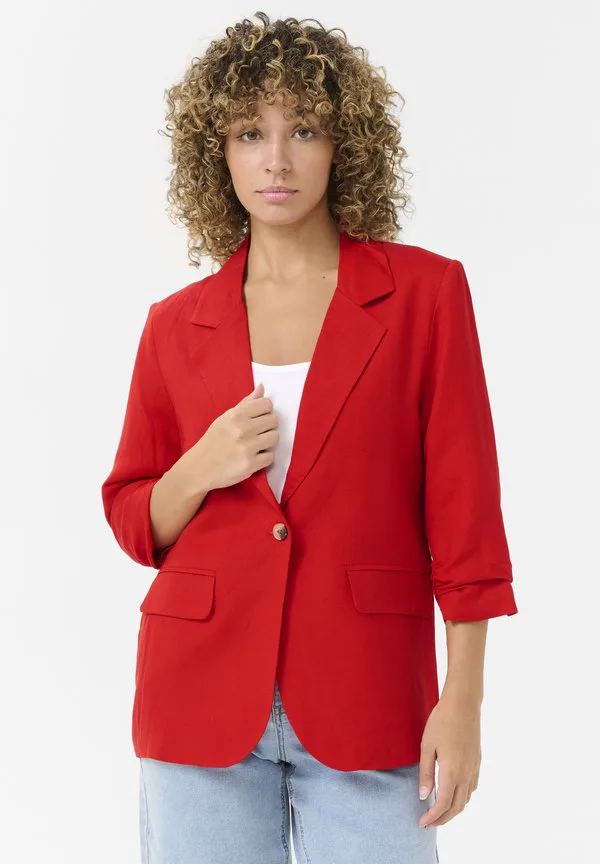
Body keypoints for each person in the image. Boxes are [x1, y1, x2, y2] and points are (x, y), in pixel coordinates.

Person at [101, 11, 518, 864]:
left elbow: (467, 517)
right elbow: (136, 521)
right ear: (216, 153)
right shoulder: (174, 324)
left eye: (305, 130)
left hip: (368, 697)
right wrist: (201, 466)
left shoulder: (426, 297)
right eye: (250, 133)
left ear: (344, 144)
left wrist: (464, 701)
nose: (277, 162)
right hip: (198, 701)